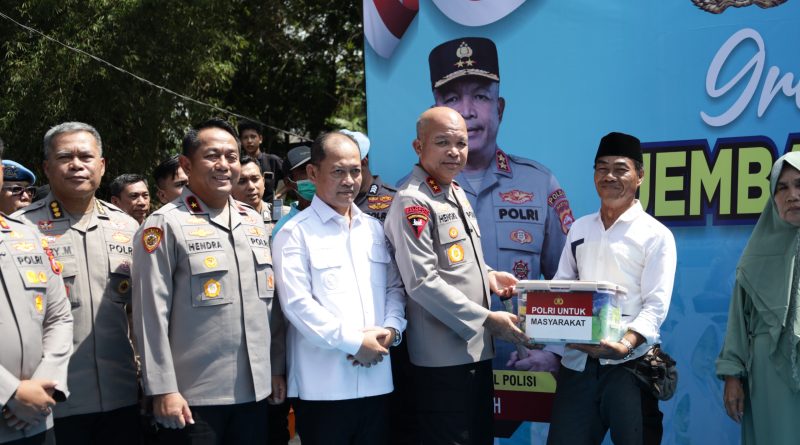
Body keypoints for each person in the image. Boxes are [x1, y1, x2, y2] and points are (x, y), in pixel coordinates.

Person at [384, 107, 527, 445]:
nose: (454, 151)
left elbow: (457, 262)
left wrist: (490, 276)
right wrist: (487, 319)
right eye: (442, 142)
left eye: (461, 143)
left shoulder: (454, 192)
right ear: (419, 148)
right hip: (441, 360)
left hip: (475, 352)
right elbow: (422, 281)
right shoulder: (413, 201)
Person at [429, 36, 572, 373]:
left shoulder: (539, 184)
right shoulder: (416, 195)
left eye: (480, 96)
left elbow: (567, 281)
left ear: (500, 108)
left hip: (524, 365)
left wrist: (553, 353)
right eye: (452, 99)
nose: (466, 111)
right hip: (446, 368)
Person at [132, 118, 279, 444]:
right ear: (186, 164)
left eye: (232, 156)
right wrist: (163, 388)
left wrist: (277, 367)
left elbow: (271, 306)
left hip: (256, 392)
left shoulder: (253, 221)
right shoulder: (164, 225)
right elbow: (150, 315)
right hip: (193, 399)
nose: (224, 165)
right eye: (213, 156)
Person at [272, 132, 406, 445]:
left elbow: (394, 289)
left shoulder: (373, 229)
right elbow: (297, 305)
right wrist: (354, 342)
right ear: (313, 173)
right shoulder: (294, 233)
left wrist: (391, 330)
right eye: (338, 171)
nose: (349, 180)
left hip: (377, 382)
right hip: (324, 388)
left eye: (355, 170)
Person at [545, 132, 677, 445]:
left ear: (640, 176)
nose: (610, 176)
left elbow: (655, 306)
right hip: (577, 365)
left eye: (620, 169)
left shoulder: (656, 235)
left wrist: (625, 344)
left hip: (629, 368)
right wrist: (551, 338)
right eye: (602, 168)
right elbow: (563, 284)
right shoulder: (580, 228)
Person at [14, 122, 141, 445]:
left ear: (102, 165)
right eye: (64, 157)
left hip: (121, 396)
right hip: (48, 402)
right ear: (46, 167)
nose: (76, 164)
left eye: (86, 156)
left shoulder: (126, 227)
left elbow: (139, 314)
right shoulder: (18, 231)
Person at [716, 151, 800, 445]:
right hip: (769, 376)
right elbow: (738, 323)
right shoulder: (754, 258)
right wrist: (732, 377)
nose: (792, 195)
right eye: (782, 187)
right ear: (773, 198)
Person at [0, 141, 73, 445]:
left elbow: (59, 316)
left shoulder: (26, 234)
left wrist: (44, 386)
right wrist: (9, 393)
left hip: (36, 421)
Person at [230, 154, 290, 444]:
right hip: (257, 334)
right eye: (242, 180)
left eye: (256, 179)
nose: (251, 186)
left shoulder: (288, 216)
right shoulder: (228, 224)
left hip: (290, 331)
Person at [271, 145, 313, 237]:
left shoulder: (341, 214)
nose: (312, 175)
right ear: (288, 182)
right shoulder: (283, 229)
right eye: (304, 170)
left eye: (315, 168)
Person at [238, 120, 283, 203]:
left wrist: (280, 194)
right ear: (240, 141)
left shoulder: (273, 161)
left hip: (269, 211)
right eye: (245, 137)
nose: (249, 141)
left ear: (260, 139)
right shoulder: (237, 164)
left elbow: (291, 179)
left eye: (253, 136)